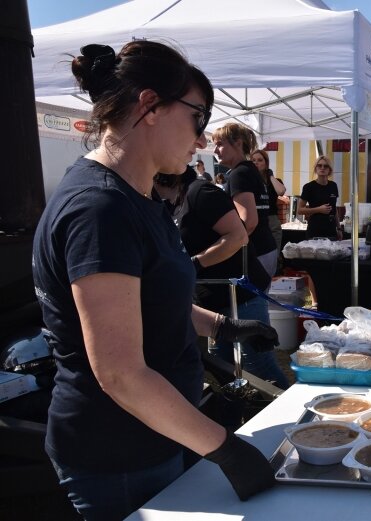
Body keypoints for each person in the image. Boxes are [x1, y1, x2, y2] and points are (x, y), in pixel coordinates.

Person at [31, 41, 278, 519]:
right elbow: (120, 372)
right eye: (198, 118)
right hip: (119, 455)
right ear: (149, 106)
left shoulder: (136, 197)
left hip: (162, 434)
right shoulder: (99, 209)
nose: (203, 140)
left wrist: (219, 327)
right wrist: (225, 448)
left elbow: (141, 302)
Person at [153, 168, 289, 389]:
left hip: (240, 295)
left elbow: (238, 236)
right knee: (223, 365)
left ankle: (292, 418)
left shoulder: (200, 192)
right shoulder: (167, 204)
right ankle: (243, 414)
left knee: (259, 364)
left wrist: (194, 264)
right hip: (210, 299)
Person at [212, 124, 278, 282]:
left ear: (238, 143)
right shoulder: (249, 170)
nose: (215, 151)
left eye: (220, 144)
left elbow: (249, 222)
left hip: (256, 252)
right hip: (265, 247)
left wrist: (224, 249)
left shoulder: (239, 174)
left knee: (252, 304)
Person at [251, 149, 286, 257]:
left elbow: (281, 191)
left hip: (271, 220)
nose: (256, 162)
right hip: (255, 220)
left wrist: (270, 175)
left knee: (273, 255)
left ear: (266, 163)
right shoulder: (249, 180)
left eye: (260, 160)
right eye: (253, 160)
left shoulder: (274, 180)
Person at [297, 155, 341, 239]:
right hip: (315, 231)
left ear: (329, 170)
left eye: (325, 166)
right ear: (316, 169)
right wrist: (319, 209)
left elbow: (334, 209)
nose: (322, 168)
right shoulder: (309, 187)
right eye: (319, 165)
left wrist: (339, 228)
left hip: (331, 232)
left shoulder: (333, 186)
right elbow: (300, 210)